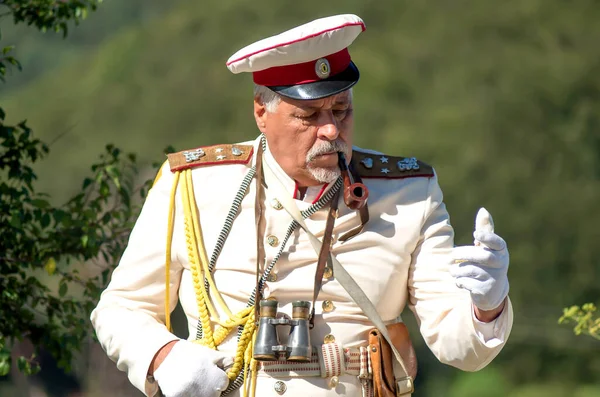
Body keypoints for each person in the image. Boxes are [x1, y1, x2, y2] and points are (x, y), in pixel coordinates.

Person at [91, 14, 513, 397]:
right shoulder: (193, 185)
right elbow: (121, 308)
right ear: (262, 111)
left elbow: (460, 348)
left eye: (341, 109)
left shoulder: (410, 193)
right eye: (308, 116)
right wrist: (165, 357)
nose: (330, 129)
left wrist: (487, 305)